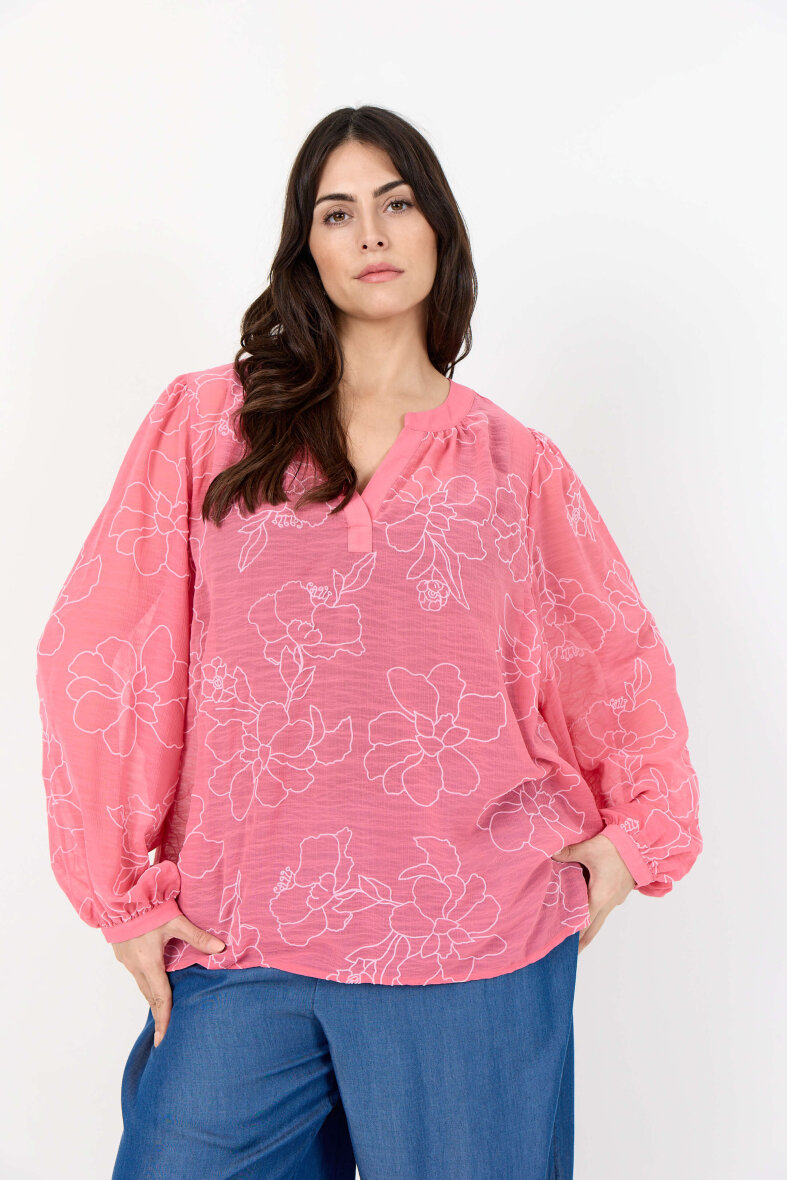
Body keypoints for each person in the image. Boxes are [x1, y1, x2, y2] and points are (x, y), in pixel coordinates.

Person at [34, 105, 703, 1180]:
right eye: (337, 213)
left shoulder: (512, 465)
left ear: (438, 226)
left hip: (470, 946)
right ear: (307, 245)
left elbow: (613, 659)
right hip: (241, 938)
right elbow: (109, 646)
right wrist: (120, 898)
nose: (372, 233)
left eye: (395, 203)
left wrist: (635, 841)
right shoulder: (209, 424)